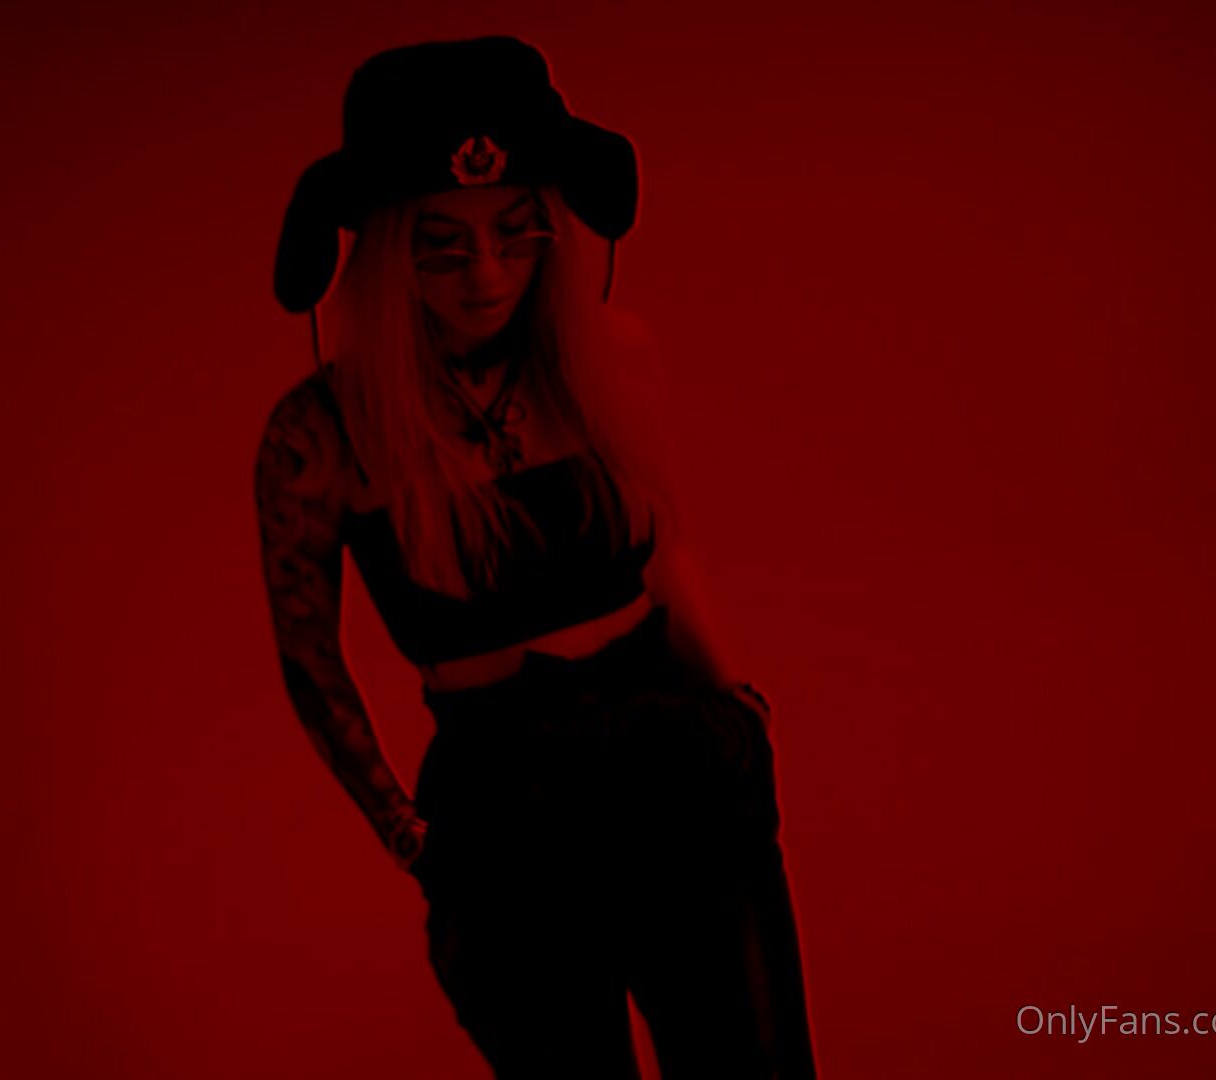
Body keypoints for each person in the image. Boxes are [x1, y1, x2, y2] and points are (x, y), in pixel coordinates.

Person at [255, 36, 817, 1079]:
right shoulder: (322, 432)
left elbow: (664, 550)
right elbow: (308, 655)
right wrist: (408, 832)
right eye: (443, 244)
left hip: (680, 770)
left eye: (517, 232)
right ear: (383, 248)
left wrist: (742, 713)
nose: (488, 272)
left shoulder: (613, 360)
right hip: (502, 808)